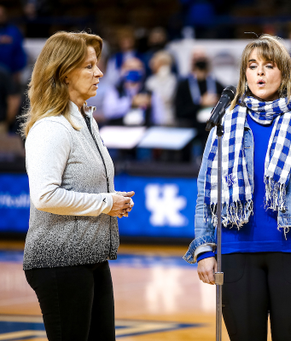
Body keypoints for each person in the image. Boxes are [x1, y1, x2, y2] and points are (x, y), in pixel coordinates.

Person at [183, 34, 291, 340]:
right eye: (252, 66)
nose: (259, 73)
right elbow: (205, 191)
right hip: (235, 251)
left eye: (268, 66)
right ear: (244, 73)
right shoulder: (224, 124)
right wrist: (204, 249)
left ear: (283, 72)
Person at [21, 31, 135, 340]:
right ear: (64, 73)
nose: (99, 73)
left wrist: (112, 199)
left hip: (91, 259)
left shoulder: (87, 120)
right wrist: (104, 204)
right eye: (88, 66)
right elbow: (44, 195)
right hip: (59, 261)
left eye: (96, 65)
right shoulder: (51, 127)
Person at [103, 57, 165, 126]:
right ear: (122, 71)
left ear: (143, 71)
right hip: (119, 130)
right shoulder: (114, 90)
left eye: (137, 68)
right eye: (129, 67)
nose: (133, 70)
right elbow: (108, 112)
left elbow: (159, 119)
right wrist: (131, 102)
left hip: (143, 130)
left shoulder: (151, 93)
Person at [145, 50, 177, 126]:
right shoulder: (150, 80)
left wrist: (163, 75)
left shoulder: (172, 79)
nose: (152, 63)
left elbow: (168, 97)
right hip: (153, 118)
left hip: (169, 118)